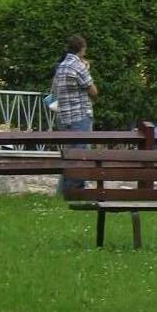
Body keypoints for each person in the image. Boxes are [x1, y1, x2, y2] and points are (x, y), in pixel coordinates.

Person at [53, 34, 98, 197]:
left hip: (64, 117)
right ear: (82, 49)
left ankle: (62, 192)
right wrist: (86, 70)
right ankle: (75, 192)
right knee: (80, 155)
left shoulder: (62, 66)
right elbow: (93, 91)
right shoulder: (78, 66)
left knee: (68, 155)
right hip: (80, 116)